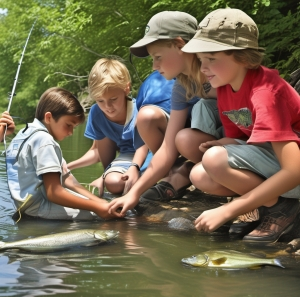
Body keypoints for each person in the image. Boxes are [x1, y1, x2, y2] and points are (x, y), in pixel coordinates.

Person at [181, 7, 300, 243]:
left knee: (215, 159)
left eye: (212, 59)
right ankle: (273, 204)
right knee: (200, 174)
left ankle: (280, 208)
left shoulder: (265, 93)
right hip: (275, 160)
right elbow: (244, 138)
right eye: (201, 59)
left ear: (243, 58)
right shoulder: (227, 87)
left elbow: (294, 170)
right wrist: (222, 143)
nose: (203, 68)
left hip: (294, 170)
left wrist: (229, 210)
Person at [108, 11, 222, 215]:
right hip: (218, 150)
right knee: (186, 145)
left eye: (158, 57)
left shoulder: (220, 73)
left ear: (180, 45)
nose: (154, 66)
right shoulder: (182, 85)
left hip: (246, 145)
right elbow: (168, 148)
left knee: (194, 123)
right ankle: (184, 173)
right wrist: (135, 193)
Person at [67, 58, 174, 196]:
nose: (107, 107)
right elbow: (97, 152)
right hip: (128, 156)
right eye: (100, 101)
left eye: (113, 99)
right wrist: (68, 166)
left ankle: (165, 174)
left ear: (126, 88)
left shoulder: (138, 109)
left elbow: (143, 146)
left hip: (152, 152)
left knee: (136, 180)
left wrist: (134, 168)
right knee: (113, 183)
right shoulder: (97, 113)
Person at [6, 87, 112, 220]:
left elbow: (67, 179)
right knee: (100, 215)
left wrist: (96, 201)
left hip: (23, 207)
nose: (71, 132)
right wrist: (96, 208)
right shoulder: (45, 141)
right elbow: (54, 193)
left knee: (102, 206)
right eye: (68, 125)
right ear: (49, 117)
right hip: (39, 207)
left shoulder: (24, 134)